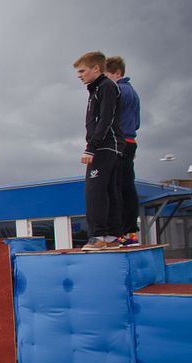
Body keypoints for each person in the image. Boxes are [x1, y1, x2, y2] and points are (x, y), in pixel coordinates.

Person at [73, 51, 124, 251]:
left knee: (94, 192)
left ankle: (97, 236)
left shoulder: (106, 87)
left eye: (82, 71)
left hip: (104, 146)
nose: (80, 75)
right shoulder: (96, 90)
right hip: (109, 146)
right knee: (109, 191)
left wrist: (91, 148)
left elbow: (105, 119)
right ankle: (111, 237)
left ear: (96, 68)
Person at [106, 56, 141, 247]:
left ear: (117, 73)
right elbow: (136, 122)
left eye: (106, 76)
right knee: (128, 185)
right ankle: (130, 232)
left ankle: (120, 232)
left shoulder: (118, 90)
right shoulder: (133, 92)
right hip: (130, 140)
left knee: (117, 186)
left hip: (119, 141)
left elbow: (108, 118)